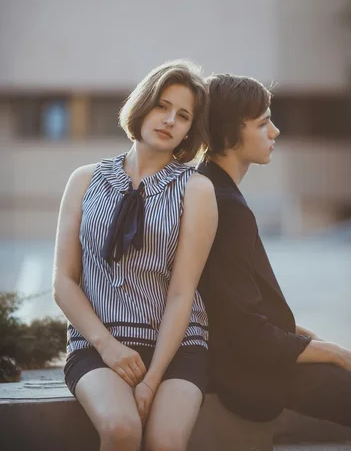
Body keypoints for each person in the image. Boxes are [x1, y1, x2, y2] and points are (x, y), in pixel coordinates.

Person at [197, 73, 351, 451]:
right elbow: (245, 333)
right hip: (252, 373)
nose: (275, 131)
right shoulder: (224, 206)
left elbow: (243, 307)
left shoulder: (212, 189)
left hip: (264, 357)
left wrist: (315, 341)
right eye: (263, 123)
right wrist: (335, 353)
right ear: (228, 135)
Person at [53, 60, 218, 451]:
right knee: (121, 428)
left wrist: (152, 378)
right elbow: (63, 281)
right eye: (162, 106)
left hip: (177, 348)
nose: (169, 120)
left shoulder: (197, 189)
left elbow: (183, 292)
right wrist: (108, 346)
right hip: (97, 343)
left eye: (182, 116)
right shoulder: (84, 180)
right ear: (142, 106)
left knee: (165, 441)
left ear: (189, 130)